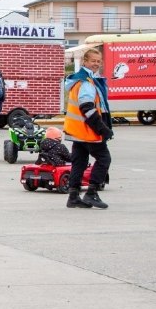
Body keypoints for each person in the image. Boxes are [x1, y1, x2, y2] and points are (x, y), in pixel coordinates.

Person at [63, 48, 112, 209]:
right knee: (104, 158)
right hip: (87, 130)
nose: (96, 64)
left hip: (76, 131)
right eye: (93, 61)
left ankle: (73, 196)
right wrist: (102, 128)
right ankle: (91, 193)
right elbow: (87, 107)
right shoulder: (86, 82)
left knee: (79, 162)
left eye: (98, 61)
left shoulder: (80, 80)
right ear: (85, 61)